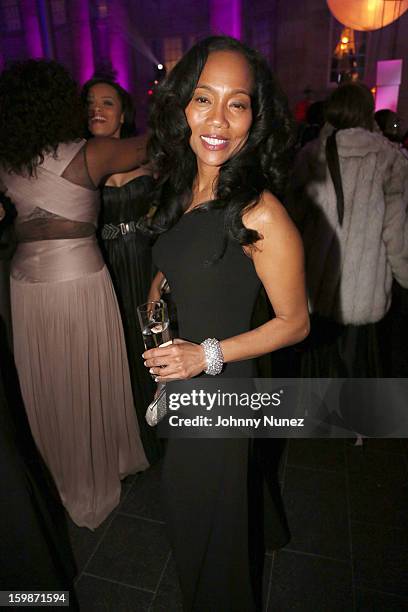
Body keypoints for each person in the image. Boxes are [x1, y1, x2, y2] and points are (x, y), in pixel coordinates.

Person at [143, 36, 310, 611]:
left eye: (236, 103)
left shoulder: (259, 210)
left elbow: (295, 322)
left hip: (220, 390)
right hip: (183, 385)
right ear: (180, 108)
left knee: (204, 530)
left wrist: (201, 356)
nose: (218, 119)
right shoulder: (182, 185)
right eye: (202, 99)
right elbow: (174, 258)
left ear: (254, 117)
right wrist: (157, 300)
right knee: (203, 515)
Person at [0, 59, 149, 530]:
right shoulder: (91, 154)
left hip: (25, 285)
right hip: (79, 278)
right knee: (86, 372)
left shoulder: (6, 161)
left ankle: (58, 469)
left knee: (45, 379)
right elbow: (155, 144)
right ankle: (95, 466)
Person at [289, 83, 408, 379]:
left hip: (317, 290)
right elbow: (395, 233)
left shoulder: (310, 154)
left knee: (317, 385)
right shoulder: (390, 158)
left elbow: (293, 222)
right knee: (358, 386)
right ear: (366, 112)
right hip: (365, 296)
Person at [82, 77, 161, 464]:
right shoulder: (77, 160)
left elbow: (170, 206)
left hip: (146, 258)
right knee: (116, 347)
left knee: (152, 339)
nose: (97, 108)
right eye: (91, 102)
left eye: (107, 102)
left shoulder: (146, 155)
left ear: (123, 113)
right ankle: (127, 436)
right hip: (104, 263)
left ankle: (165, 426)